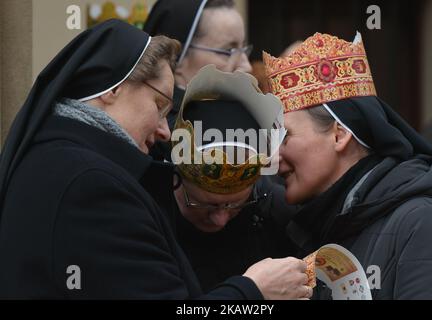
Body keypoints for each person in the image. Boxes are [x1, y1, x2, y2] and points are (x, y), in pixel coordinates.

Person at [0, 19, 311, 299]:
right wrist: (251, 292)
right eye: (159, 104)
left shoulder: (62, 161)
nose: (165, 130)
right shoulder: (91, 186)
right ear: (114, 89)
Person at [263, 32, 432, 299]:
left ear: (339, 135)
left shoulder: (423, 222)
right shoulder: (318, 225)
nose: (273, 156)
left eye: (285, 136)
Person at [168, 66, 298, 291]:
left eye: (235, 205)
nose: (220, 219)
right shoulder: (150, 216)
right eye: (205, 204)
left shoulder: (276, 212)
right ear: (176, 180)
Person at [143, 0, 252, 161]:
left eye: (243, 49)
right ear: (176, 57)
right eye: (228, 51)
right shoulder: (171, 133)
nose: (246, 66)